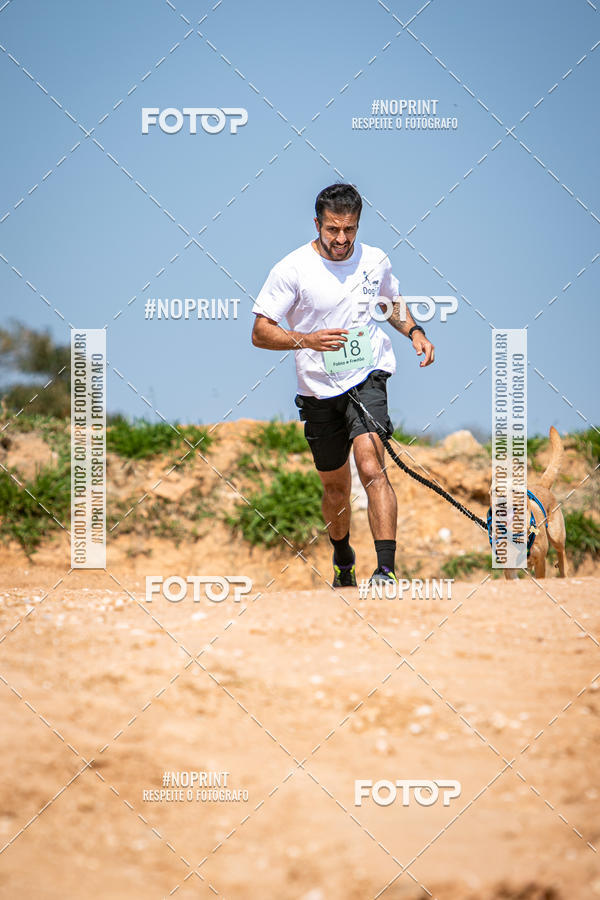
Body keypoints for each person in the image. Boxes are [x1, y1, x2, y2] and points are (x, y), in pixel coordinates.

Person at [251, 183, 435, 586]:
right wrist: (306, 340)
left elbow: (390, 303)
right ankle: (343, 558)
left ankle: (386, 570)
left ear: (358, 225)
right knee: (336, 488)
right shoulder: (292, 269)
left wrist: (415, 331)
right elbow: (260, 332)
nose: (341, 239)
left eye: (349, 229)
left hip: (367, 375)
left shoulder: (376, 260)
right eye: (332, 229)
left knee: (372, 465)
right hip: (318, 388)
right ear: (317, 224)